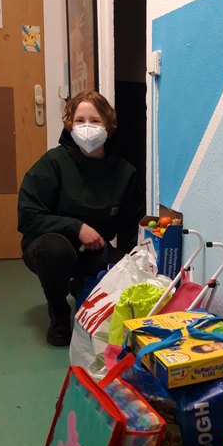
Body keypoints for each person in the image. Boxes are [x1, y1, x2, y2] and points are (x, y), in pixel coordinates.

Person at [18, 90, 143, 346]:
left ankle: (81, 287)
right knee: (55, 251)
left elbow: (131, 226)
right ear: (69, 124)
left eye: (95, 121)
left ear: (108, 126)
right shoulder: (52, 164)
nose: (87, 127)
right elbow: (28, 217)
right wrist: (76, 227)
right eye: (80, 120)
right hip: (50, 248)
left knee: (122, 269)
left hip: (95, 251)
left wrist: (135, 267)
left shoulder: (125, 172)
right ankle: (59, 313)